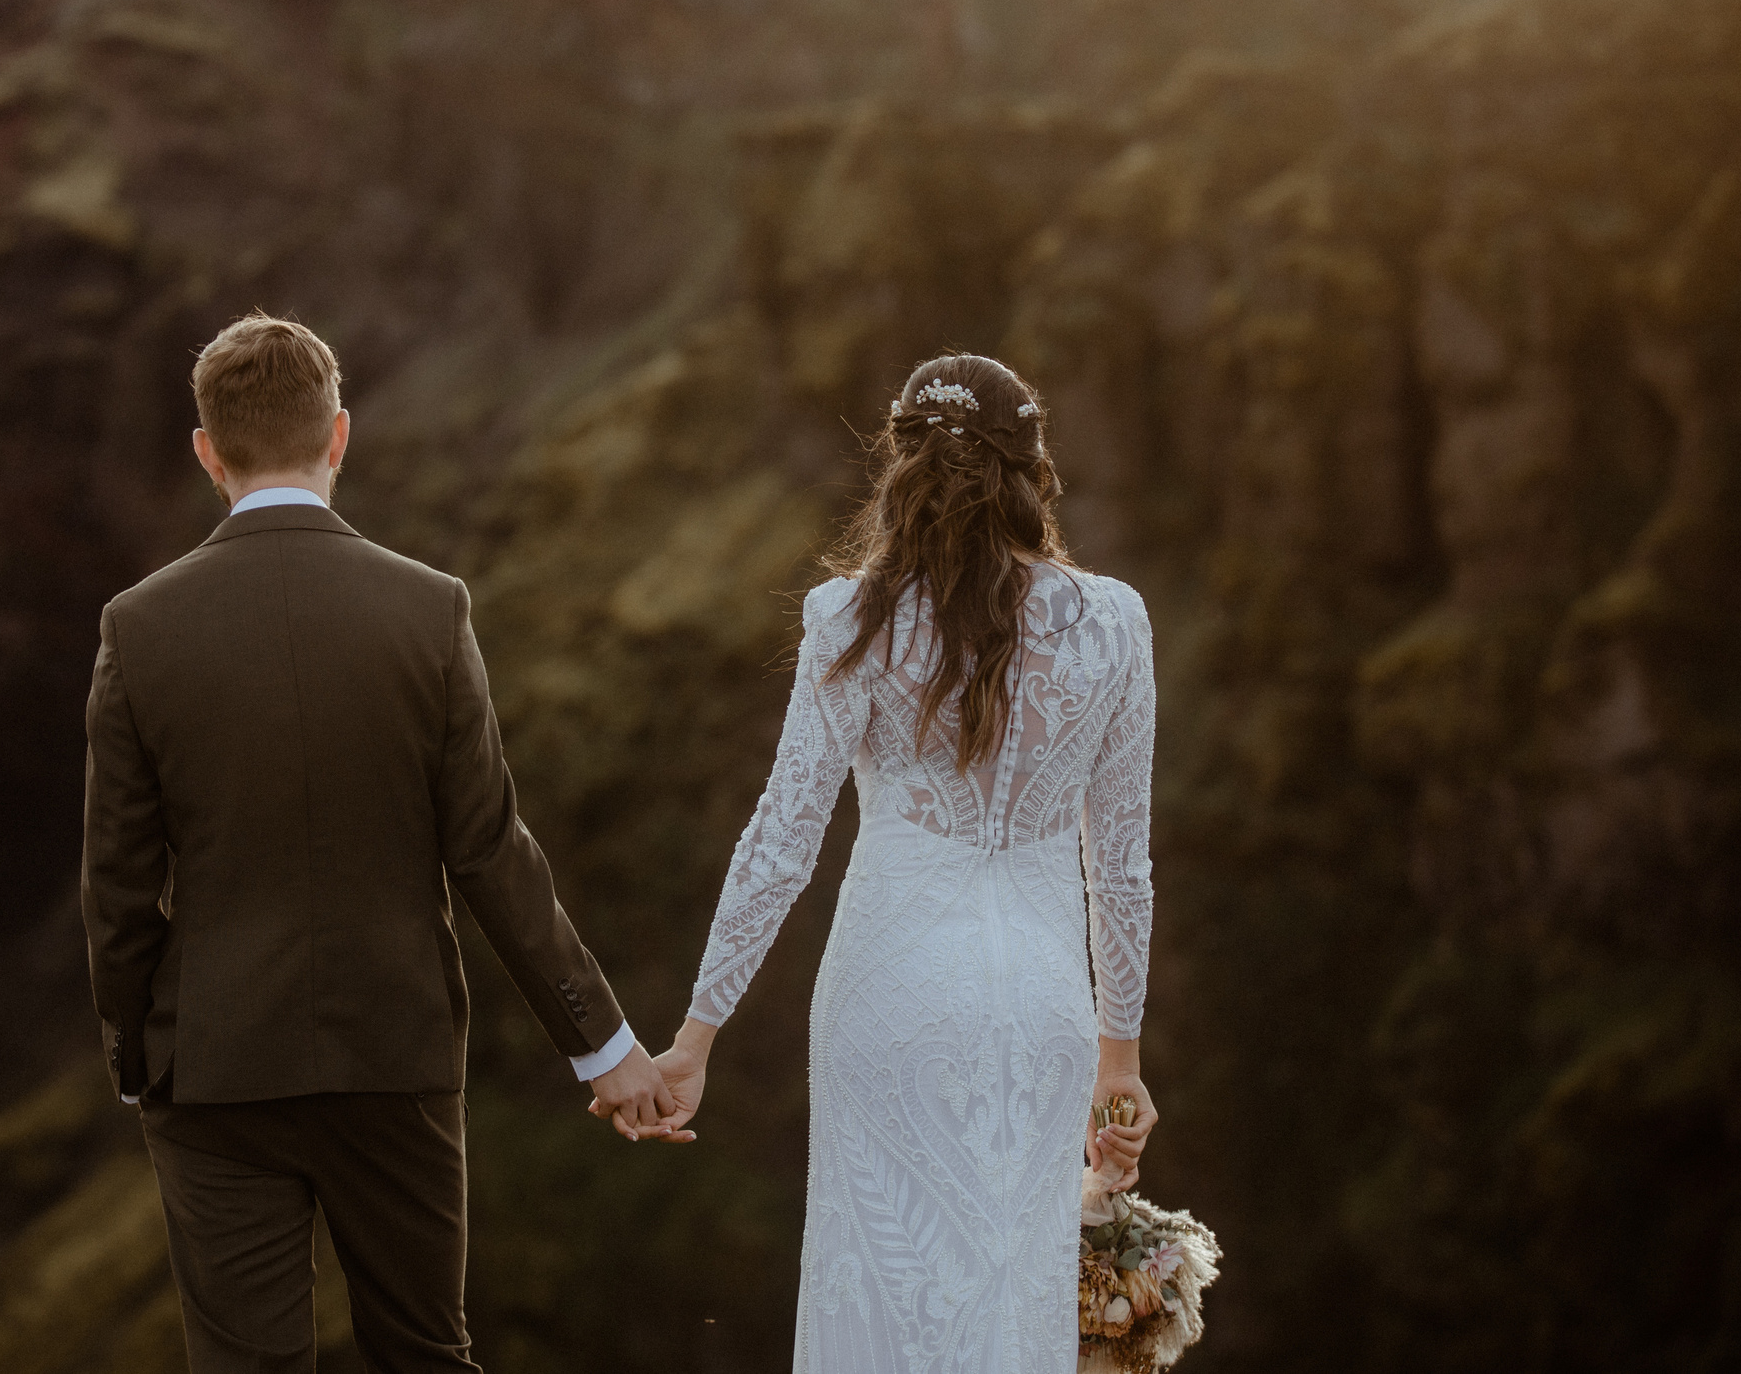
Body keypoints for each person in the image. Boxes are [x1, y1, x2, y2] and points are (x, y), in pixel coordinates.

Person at [82, 312, 676, 1374]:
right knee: (422, 1357)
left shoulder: (138, 625)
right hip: (393, 1054)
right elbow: (492, 853)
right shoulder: (429, 610)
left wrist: (138, 1058)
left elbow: (119, 886)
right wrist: (605, 1047)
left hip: (213, 1066)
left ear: (206, 452)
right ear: (340, 437)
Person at [633, 353, 1159, 1373]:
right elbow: (1123, 863)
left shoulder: (849, 618)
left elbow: (782, 836)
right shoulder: (1115, 624)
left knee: (881, 1297)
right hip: (1044, 1009)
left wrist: (696, 1036)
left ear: (901, 464)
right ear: (1029, 468)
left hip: (891, 999)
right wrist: (1120, 1062)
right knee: (1010, 1305)